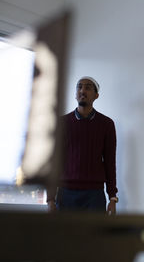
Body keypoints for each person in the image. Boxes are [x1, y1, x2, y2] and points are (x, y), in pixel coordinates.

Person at [47, 76, 118, 214]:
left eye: (88, 87)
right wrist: (50, 198)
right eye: (79, 87)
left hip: (94, 195)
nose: (82, 90)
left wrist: (112, 197)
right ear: (75, 94)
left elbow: (110, 162)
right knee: (64, 236)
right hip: (65, 193)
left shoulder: (107, 125)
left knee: (94, 235)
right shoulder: (62, 123)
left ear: (96, 95)